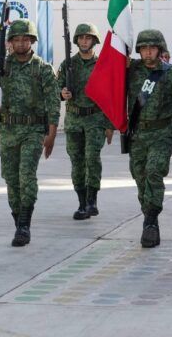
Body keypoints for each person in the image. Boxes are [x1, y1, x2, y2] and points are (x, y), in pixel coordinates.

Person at [0, 19, 60, 247]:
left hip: (33, 131)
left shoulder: (42, 69)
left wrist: (52, 135)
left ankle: (24, 225)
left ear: (32, 41)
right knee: (11, 179)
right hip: (8, 130)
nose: (20, 43)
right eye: (16, 39)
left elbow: (53, 103)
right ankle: (18, 220)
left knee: (26, 176)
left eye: (25, 39)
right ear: (9, 43)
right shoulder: (1, 67)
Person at [127, 30, 172, 249]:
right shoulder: (131, 71)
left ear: (160, 49)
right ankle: (148, 212)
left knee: (154, 173)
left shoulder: (170, 74)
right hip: (137, 135)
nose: (148, 52)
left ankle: (151, 222)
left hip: (161, 134)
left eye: (152, 48)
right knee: (140, 177)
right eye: (144, 48)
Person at [57, 23, 114, 221]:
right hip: (73, 119)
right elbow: (57, 89)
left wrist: (109, 125)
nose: (84, 41)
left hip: (95, 119)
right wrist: (62, 93)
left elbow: (110, 96)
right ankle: (81, 202)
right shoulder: (67, 64)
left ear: (94, 41)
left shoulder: (102, 65)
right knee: (77, 162)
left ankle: (92, 201)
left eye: (87, 38)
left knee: (92, 158)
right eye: (80, 38)